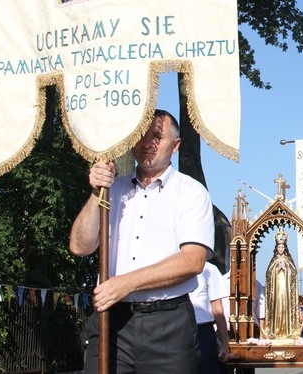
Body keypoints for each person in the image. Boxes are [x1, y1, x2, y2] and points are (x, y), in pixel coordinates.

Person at [69, 109, 214, 374]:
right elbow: (80, 246)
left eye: (157, 136)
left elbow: (193, 260)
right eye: (142, 135)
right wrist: (95, 192)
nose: (148, 143)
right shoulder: (112, 190)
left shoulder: (191, 193)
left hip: (167, 325)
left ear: (176, 146)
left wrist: (126, 283)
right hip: (112, 322)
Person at [190, 261, 231, 374]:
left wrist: (225, 343)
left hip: (203, 331)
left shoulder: (210, 269)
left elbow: (217, 309)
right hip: (177, 327)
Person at [264, 227, 302, 339]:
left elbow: (294, 273)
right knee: (277, 305)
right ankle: (275, 330)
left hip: (286, 289)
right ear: (276, 248)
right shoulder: (273, 260)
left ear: (285, 248)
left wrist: (285, 268)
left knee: (285, 305)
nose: (280, 249)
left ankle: (287, 330)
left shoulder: (288, 259)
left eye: (282, 247)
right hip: (276, 289)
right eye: (279, 247)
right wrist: (276, 269)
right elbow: (268, 274)